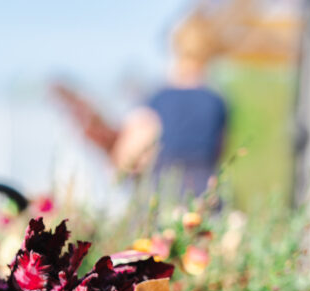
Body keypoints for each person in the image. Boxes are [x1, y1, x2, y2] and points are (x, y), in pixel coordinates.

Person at [54, 13, 229, 199]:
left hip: (164, 198)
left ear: (174, 48)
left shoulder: (157, 100)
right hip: (208, 198)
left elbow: (129, 158)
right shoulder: (218, 102)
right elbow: (220, 153)